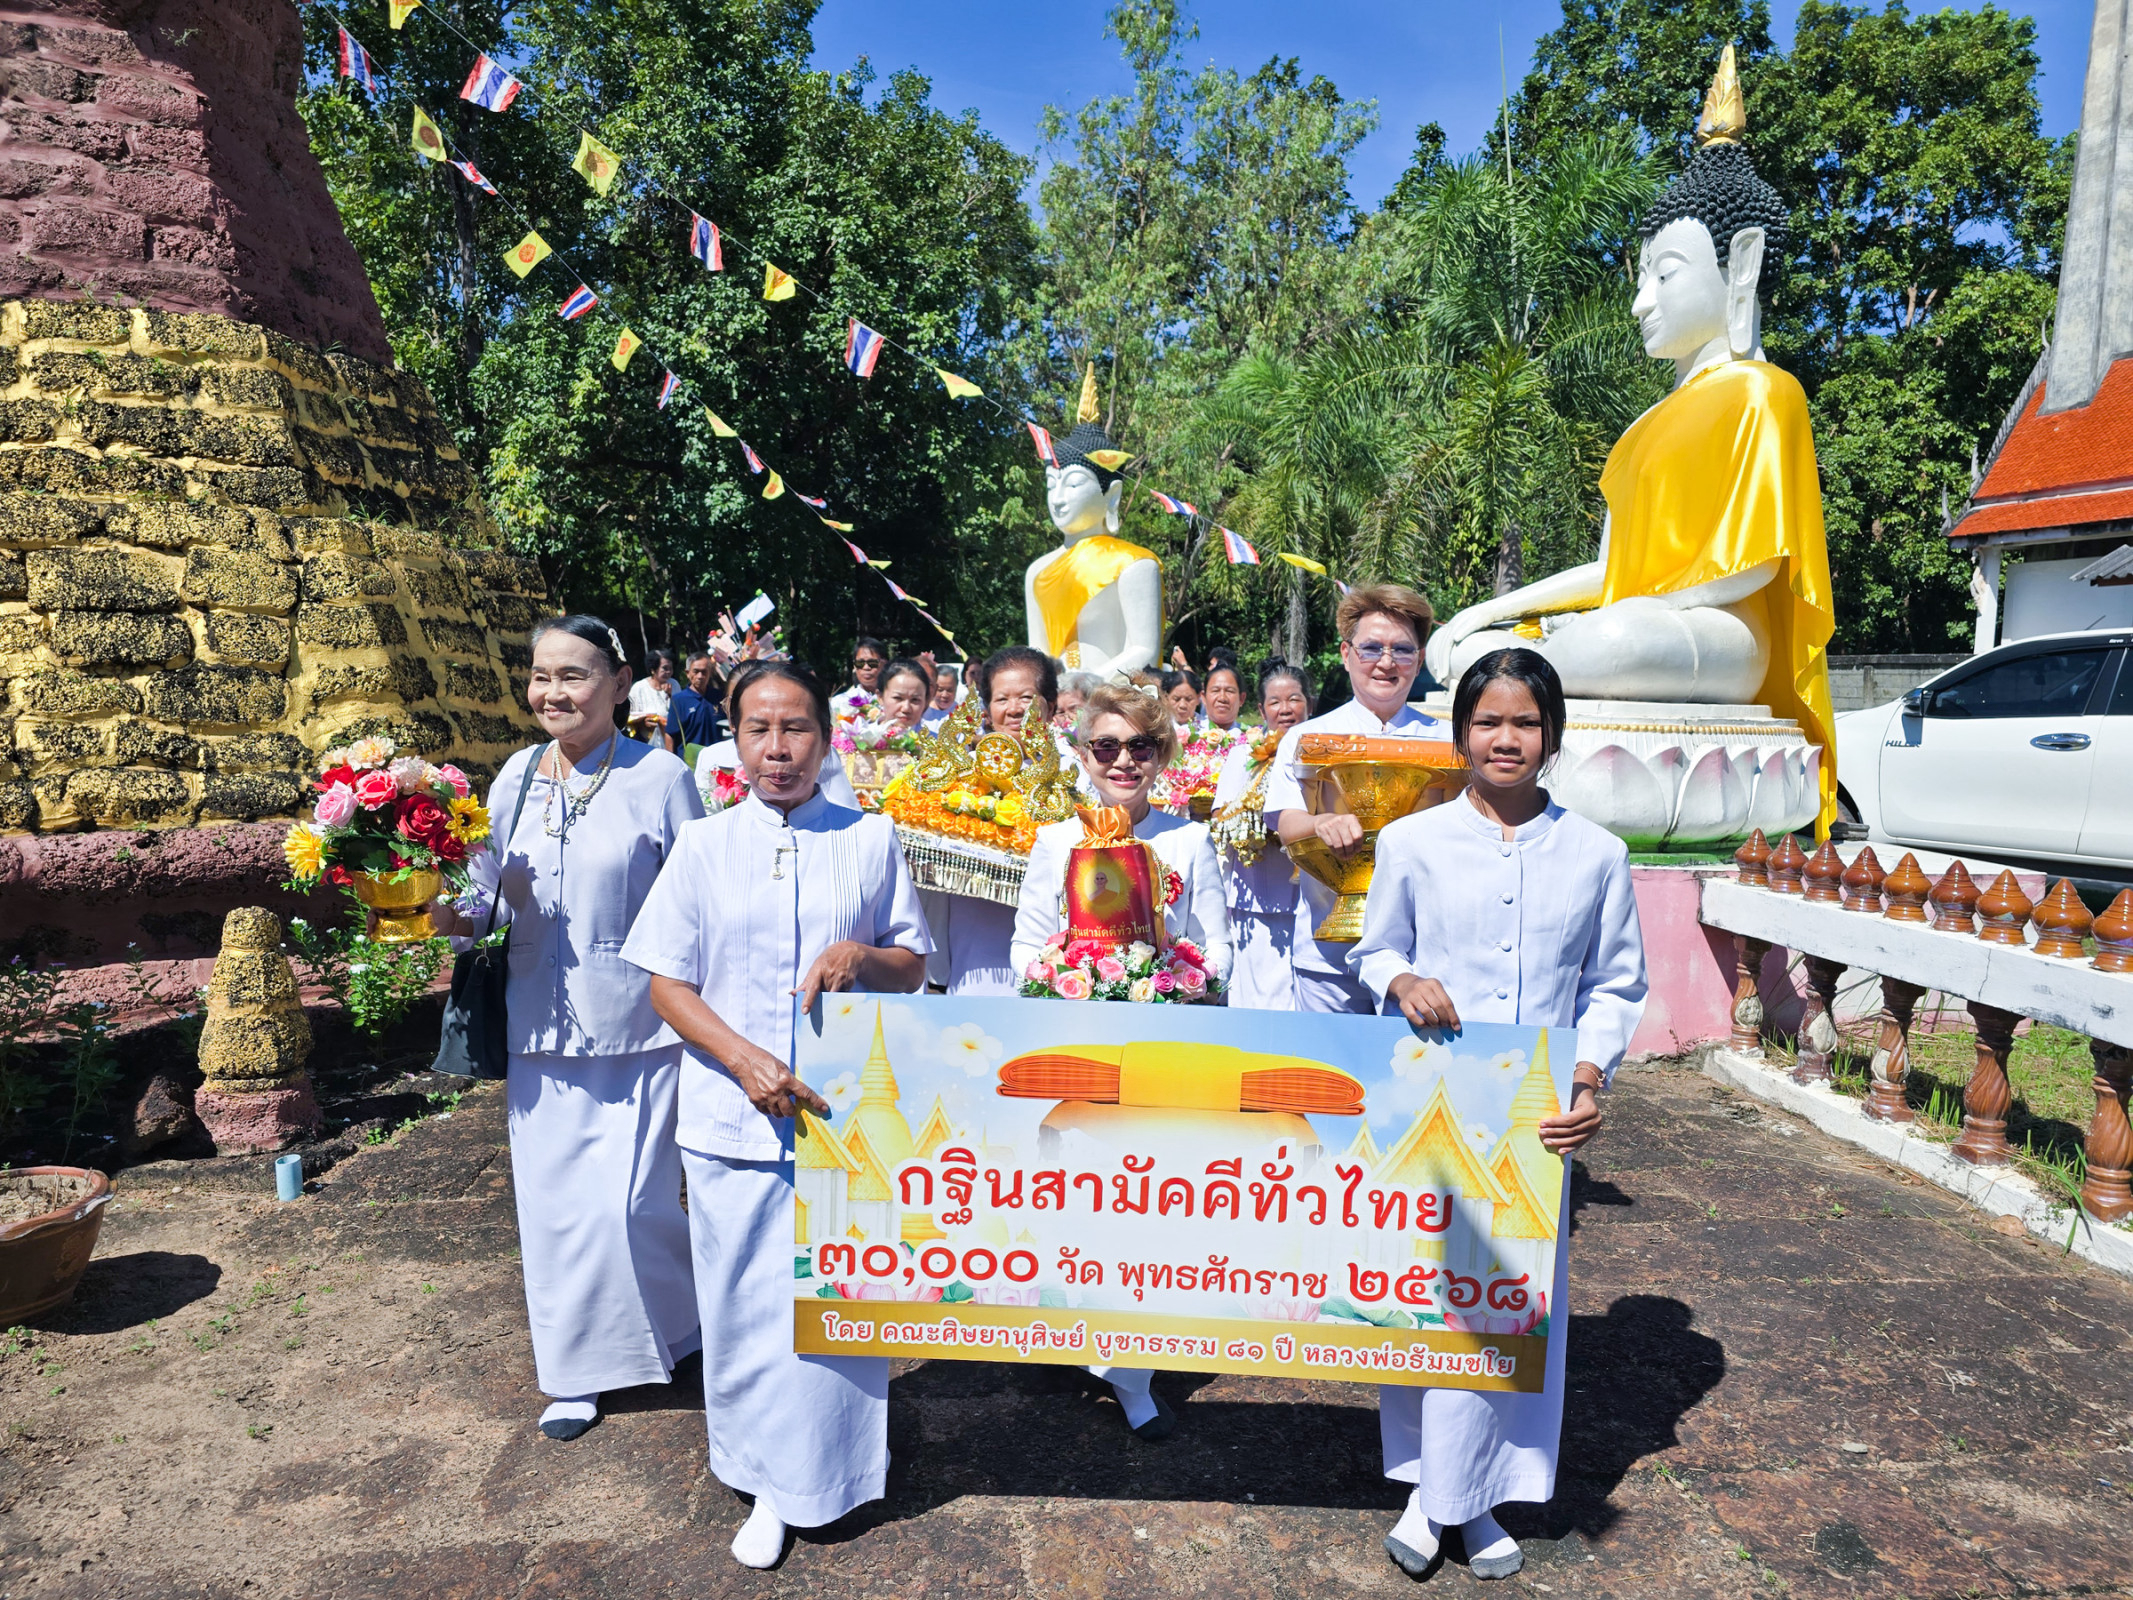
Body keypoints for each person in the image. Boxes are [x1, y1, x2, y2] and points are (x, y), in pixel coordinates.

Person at [622, 660, 931, 1570]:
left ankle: (830, 1471)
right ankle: (760, 1478)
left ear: (827, 738)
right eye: (757, 729)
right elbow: (665, 984)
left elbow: (914, 963)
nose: (778, 748)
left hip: (844, 1116)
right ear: (734, 740)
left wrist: (859, 955)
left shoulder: (869, 839)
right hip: (729, 1112)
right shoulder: (706, 846)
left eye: (795, 728)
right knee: (745, 1303)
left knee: (838, 1296)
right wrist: (745, 1060)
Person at [1351, 648, 1646, 1583]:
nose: (1505, 738)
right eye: (1488, 722)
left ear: (1550, 737)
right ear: (1460, 734)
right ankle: (1430, 1488)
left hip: (1535, 1122)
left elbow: (1615, 984)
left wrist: (1590, 1078)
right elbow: (1375, 948)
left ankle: (1477, 1497)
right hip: (1431, 1106)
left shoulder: (1597, 853)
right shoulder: (1412, 841)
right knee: (1429, 1299)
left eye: (1524, 722)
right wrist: (1398, 977)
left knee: (1517, 1306)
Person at [432, 614, 705, 1444]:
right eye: (542, 674)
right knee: (555, 1213)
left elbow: (696, 902)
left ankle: (681, 1329)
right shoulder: (514, 776)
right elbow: (479, 903)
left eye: (575, 676)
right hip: (534, 1026)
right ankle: (576, 1374)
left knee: (632, 1206)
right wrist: (429, 905)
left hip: (639, 1027)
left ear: (619, 686)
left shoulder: (660, 778)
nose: (554, 692)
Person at [1009, 681, 1232, 1440]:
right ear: (1080, 754)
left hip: (1161, 1056)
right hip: (1077, 1053)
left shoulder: (1186, 840)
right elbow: (1025, 943)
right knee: (1080, 1210)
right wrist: (1062, 975)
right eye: (1106, 746)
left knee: (1150, 1216)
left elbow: (1218, 949)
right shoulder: (1052, 841)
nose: (1123, 761)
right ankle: (1077, 1343)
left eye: (1140, 746)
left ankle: (1132, 1373)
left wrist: (1173, 979)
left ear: (1162, 753)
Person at [1264, 584, 1447, 1013]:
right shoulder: (1305, 737)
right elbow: (1285, 822)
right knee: (1330, 1076)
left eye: (1402, 650)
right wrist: (1320, 824)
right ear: (1346, 654)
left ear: (1419, 660)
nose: (1386, 663)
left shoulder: (1448, 738)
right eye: (1372, 649)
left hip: (1421, 957)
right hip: (1330, 953)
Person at [919, 646, 1073, 995]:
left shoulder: (1072, 772)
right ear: (987, 710)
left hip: (1054, 931)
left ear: (1050, 704)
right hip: (974, 923)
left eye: (1027, 697)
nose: (1015, 709)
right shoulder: (963, 772)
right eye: (1002, 698)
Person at [1209, 660, 1313, 1009]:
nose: (1285, 709)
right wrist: (1259, 819)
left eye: (1294, 699)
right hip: (1256, 895)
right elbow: (1220, 819)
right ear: (1260, 710)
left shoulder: (1323, 754)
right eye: (1275, 702)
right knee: (1258, 995)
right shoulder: (1243, 756)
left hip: (1314, 899)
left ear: (1308, 705)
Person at [665, 651, 725, 759]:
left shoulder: (719, 697)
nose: (700, 676)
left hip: (716, 759)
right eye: (696, 672)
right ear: (688, 673)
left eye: (704, 672)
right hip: (690, 762)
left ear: (710, 673)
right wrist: (671, 761)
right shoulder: (678, 700)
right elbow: (670, 734)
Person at [832, 637, 887, 726]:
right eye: (860, 663)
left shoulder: (894, 700)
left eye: (872, 662)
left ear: (885, 664)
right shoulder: (840, 702)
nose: (866, 667)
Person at [870, 657, 932, 736]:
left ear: (926, 700)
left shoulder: (935, 744)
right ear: (880, 697)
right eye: (898, 698)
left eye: (915, 700)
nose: (906, 708)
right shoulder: (862, 738)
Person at [626, 647, 676, 742]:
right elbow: (630, 717)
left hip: (670, 741)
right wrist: (643, 723)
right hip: (645, 741)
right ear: (653, 669)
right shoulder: (639, 688)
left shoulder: (674, 685)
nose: (669, 672)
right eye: (665, 668)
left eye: (671, 668)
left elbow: (679, 712)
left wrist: (670, 696)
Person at [1200, 660, 1245, 732]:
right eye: (1215, 691)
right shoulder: (1187, 736)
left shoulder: (1254, 738)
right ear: (1204, 697)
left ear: (1241, 699)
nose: (1222, 698)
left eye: (1229, 691)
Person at [1159, 667, 1202, 741]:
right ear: (1166, 698)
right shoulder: (1158, 728)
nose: (1182, 705)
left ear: (1198, 698)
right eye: (1176, 699)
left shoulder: (1210, 729)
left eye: (1189, 699)